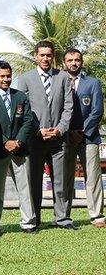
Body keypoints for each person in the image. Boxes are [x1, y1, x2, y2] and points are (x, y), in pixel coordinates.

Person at [16, 40, 75, 229]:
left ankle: (62, 218)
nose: (45, 58)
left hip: (59, 139)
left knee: (60, 181)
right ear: (36, 56)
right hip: (35, 139)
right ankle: (34, 219)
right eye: (42, 55)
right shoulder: (25, 79)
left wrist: (59, 129)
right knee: (34, 181)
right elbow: (23, 109)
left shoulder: (63, 77)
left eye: (49, 55)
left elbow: (68, 107)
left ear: (53, 57)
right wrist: (37, 130)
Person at [0, 60, 37, 236]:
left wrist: (18, 141)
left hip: (20, 150)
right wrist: (5, 141)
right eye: (2, 76)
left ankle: (28, 222)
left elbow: (28, 120)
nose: (6, 79)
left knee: (25, 187)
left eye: (8, 76)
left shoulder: (20, 96)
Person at [63, 48, 105, 228]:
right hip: (64, 137)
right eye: (70, 60)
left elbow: (97, 111)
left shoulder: (93, 83)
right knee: (65, 178)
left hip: (88, 138)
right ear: (64, 62)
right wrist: (68, 132)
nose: (74, 63)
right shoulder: (59, 82)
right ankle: (63, 215)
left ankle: (97, 215)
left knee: (93, 177)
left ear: (82, 62)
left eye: (77, 60)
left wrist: (81, 132)